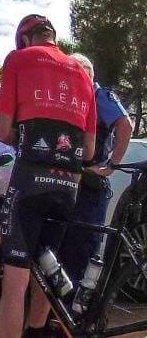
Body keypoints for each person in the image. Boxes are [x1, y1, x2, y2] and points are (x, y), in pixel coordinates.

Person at [0, 14, 97, 338]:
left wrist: (29, 137)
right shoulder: (81, 72)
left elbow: (1, 131)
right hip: (69, 185)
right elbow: (90, 150)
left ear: (24, 39)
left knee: (16, 281)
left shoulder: (19, 60)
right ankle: (36, 332)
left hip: (31, 180)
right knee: (47, 268)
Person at [58, 53, 133, 283]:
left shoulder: (100, 96)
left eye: (77, 71)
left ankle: (80, 313)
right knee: (63, 249)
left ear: (89, 74)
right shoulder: (69, 98)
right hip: (69, 184)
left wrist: (112, 165)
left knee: (82, 252)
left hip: (90, 186)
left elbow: (125, 125)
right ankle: (60, 312)